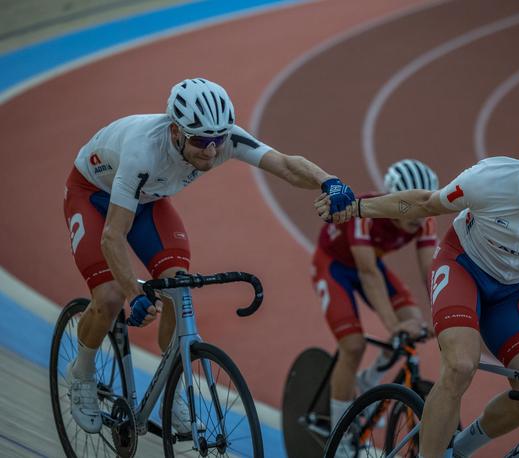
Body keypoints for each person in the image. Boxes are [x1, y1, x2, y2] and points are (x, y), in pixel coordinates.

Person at [316, 111, 519, 458]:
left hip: (513, 290)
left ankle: (461, 450)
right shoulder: (489, 179)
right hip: (463, 266)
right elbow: (425, 203)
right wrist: (358, 207)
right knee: (462, 365)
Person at [63, 77, 355, 434]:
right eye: (201, 142)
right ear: (175, 131)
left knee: (178, 287)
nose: (212, 151)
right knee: (108, 297)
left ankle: (172, 394)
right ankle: (82, 373)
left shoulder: (221, 136)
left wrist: (330, 181)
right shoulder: (143, 151)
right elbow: (112, 236)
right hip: (93, 196)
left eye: (218, 141)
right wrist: (133, 292)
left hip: (147, 201)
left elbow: (284, 165)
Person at [311, 159, 439, 433]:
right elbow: (368, 274)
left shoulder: (424, 220)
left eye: (423, 208)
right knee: (354, 346)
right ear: (394, 201)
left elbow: (432, 274)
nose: (418, 218)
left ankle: (368, 381)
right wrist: (394, 326)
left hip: (370, 264)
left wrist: (444, 317)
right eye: (410, 209)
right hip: (334, 266)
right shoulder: (367, 211)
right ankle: (340, 438)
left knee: (413, 324)